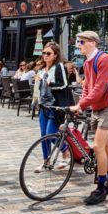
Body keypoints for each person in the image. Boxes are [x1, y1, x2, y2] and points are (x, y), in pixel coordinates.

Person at [69, 31, 108, 205]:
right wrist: (82, 104)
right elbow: (87, 87)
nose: (79, 45)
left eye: (82, 42)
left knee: (98, 146)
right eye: (78, 42)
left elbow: (100, 88)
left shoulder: (103, 59)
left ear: (92, 42)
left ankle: (101, 188)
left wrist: (81, 105)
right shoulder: (86, 63)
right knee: (105, 147)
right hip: (97, 107)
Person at [36, 42, 74, 170]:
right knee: (43, 135)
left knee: (50, 133)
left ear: (55, 55)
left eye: (48, 53)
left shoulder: (59, 67)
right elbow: (40, 90)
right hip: (43, 106)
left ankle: (65, 150)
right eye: (44, 53)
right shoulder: (42, 70)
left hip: (55, 106)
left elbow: (63, 84)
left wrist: (50, 83)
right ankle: (46, 161)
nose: (45, 55)